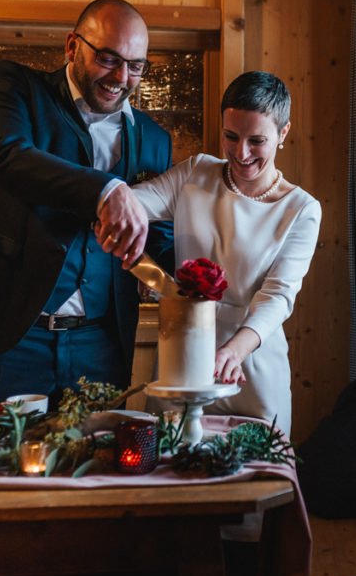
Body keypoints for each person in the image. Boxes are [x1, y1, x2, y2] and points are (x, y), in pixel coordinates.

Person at [0, 0, 174, 406]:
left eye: (136, 65)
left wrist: (197, 282)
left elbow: (155, 241)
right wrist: (107, 190)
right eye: (108, 58)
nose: (121, 76)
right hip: (14, 337)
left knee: (94, 464)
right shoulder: (15, 89)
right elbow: (8, 158)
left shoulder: (155, 139)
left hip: (100, 343)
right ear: (71, 46)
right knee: (4, 464)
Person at [118, 71, 321, 436]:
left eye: (256, 140)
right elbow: (131, 203)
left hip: (253, 367)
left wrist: (233, 351)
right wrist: (109, 211)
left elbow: (278, 295)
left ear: (283, 133)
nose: (241, 153)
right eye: (231, 136)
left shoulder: (301, 209)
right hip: (182, 359)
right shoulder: (195, 173)